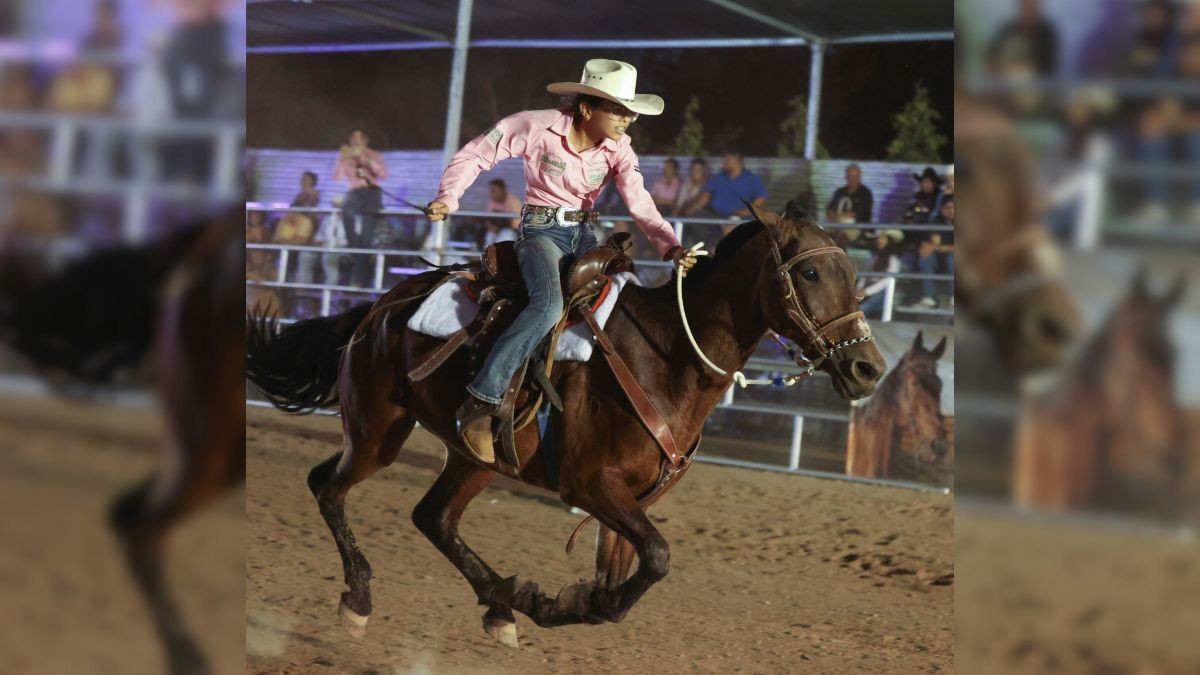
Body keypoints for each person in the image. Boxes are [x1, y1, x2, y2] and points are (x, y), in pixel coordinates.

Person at [426, 58, 698, 463]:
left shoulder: (619, 148)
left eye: (630, 111)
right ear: (588, 108)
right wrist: (449, 197)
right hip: (540, 232)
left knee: (626, 304)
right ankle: (480, 401)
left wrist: (670, 247)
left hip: (584, 235)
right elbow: (476, 154)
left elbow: (641, 203)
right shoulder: (535, 126)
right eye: (619, 110)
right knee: (549, 305)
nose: (629, 120)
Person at [333, 129, 388, 287]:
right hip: (355, 193)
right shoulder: (347, 156)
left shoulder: (374, 154)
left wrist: (365, 157)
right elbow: (336, 177)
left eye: (359, 139)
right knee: (346, 210)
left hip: (372, 193)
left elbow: (383, 175)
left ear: (365, 140)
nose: (356, 142)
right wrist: (342, 159)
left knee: (367, 237)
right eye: (353, 139)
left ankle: (358, 280)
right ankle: (352, 243)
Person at [690, 152, 768, 219]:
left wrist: (748, 211)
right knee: (697, 220)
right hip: (716, 215)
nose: (724, 162)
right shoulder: (718, 177)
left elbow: (761, 197)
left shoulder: (751, 178)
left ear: (737, 161)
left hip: (740, 217)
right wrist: (692, 210)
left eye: (728, 160)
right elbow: (705, 196)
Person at [917, 196, 956, 308]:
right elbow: (935, 243)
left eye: (954, 207)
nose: (951, 211)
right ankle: (929, 298)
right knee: (926, 257)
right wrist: (935, 247)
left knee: (953, 257)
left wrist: (937, 247)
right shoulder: (937, 220)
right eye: (947, 208)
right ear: (941, 209)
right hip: (940, 258)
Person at [858, 230, 903, 318]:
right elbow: (865, 276)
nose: (879, 240)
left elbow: (887, 281)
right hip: (868, 290)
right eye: (878, 238)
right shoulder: (874, 257)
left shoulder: (893, 259)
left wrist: (866, 291)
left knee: (864, 307)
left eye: (883, 238)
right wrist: (859, 289)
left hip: (881, 292)